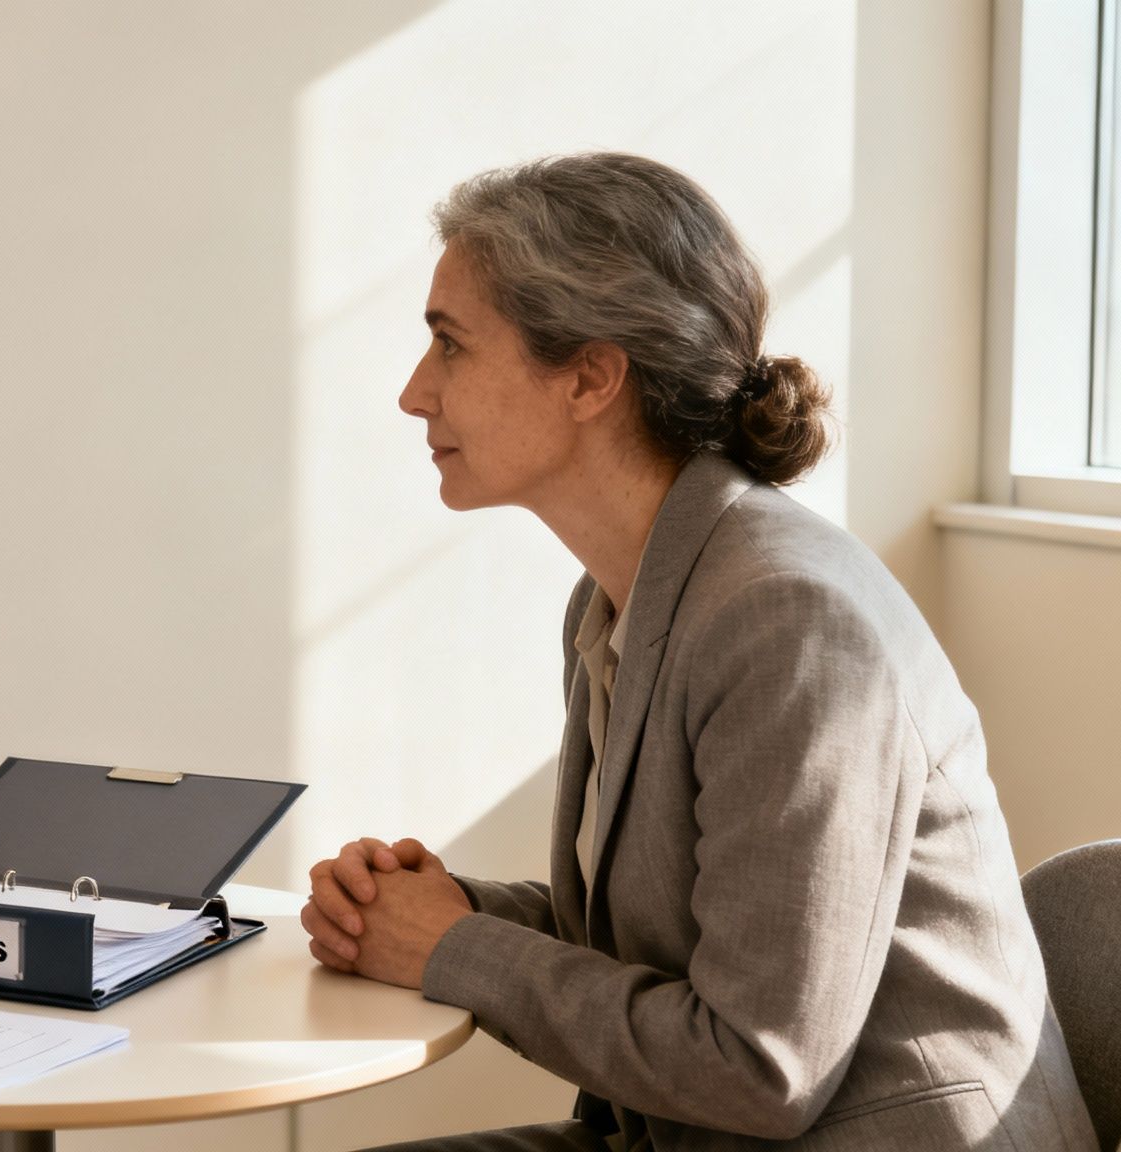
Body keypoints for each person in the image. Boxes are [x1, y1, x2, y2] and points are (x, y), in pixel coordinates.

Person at [301, 153, 1098, 1151]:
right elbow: (680, 933)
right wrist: (443, 909)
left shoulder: (786, 623)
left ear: (589, 376)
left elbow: (762, 1065)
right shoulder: (615, 598)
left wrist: (450, 950)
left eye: (450, 346)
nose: (414, 394)